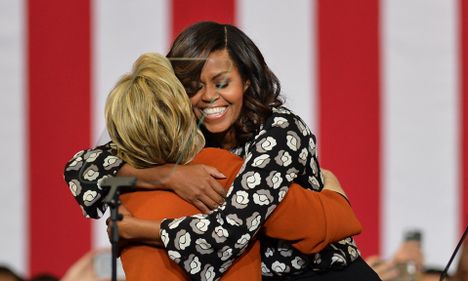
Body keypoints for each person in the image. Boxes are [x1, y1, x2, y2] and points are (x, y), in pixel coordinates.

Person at [64, 22, 380, 280]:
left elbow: (231, 229)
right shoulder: (183, 133)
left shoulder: (281, 129)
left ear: (246, 80)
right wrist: (171, 176)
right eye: (193, 86)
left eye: (221, 82)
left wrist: (136, 229)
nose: (209, 97)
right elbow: (82, 169)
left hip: (321, 274)